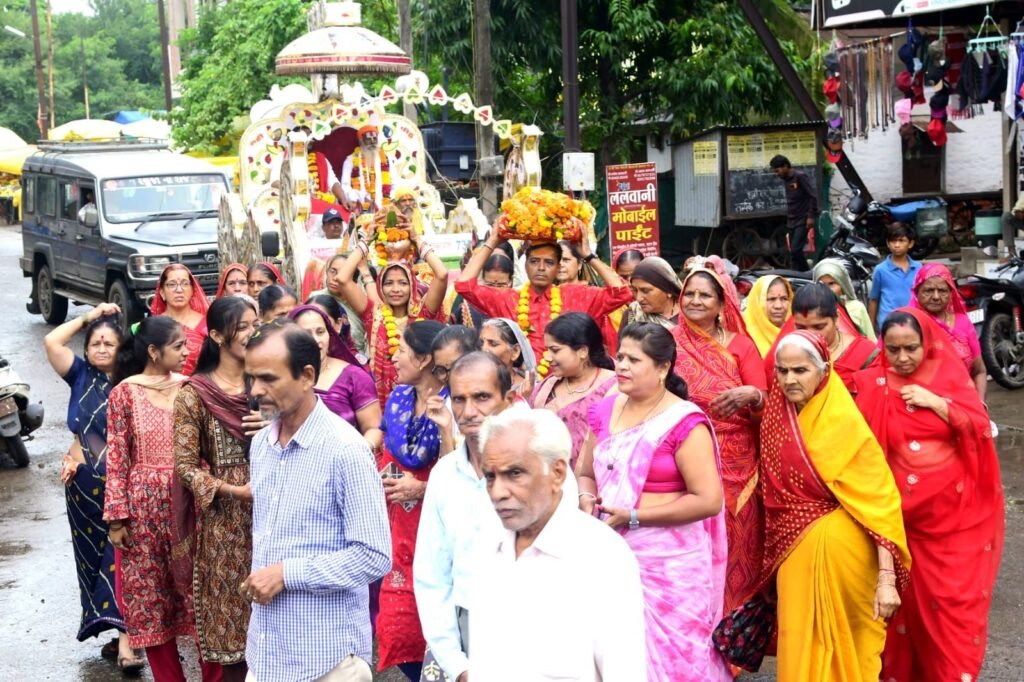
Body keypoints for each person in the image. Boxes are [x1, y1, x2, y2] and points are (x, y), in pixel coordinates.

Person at [747, 330, 910, 681]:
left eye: (800, 371)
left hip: (845, 561)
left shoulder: (844, 423)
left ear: (824, 370)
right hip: (793, 558)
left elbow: (879, 502)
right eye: (782, 370)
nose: (790, 379)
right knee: (799, 649)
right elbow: (773, 499)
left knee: (848, 652)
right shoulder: (776, 420)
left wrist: (886, 579)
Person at [854, 309, 1004, 681]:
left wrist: (937, 403)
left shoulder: (948, 375)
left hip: (955, 524)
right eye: (894, 349)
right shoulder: (873, 385)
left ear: (927, 344)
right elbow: (863, 455)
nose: (903, 358)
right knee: (903, 621)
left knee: (954, 614)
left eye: (911, 348)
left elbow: (981, 429)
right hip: (901, 525)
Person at [577, 324, 731, 681]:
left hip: (669, 568)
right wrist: (586, 499)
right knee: (614, 656)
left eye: (634, 359)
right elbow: (584, 472)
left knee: (673, 661)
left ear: (663, 368)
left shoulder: (684, 422)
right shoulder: (605, 410)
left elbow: (708, 500)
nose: (622, 366)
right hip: (609, 553)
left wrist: (634, 516)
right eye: (620, 357)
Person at [242, 320, 391, 682]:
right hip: (267, 653)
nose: (255, 390)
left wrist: (286, 574)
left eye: (268, 379)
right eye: (251, 378)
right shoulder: (262, 444)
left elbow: (375, 556)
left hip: (327, 662)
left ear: (307, 376)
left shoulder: (346, 450)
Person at [470, 408, 647, 681]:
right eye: (490, 477)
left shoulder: (601, 556)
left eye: (514, 473)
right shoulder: (487, 545)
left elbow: (624, 671)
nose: (497, 492)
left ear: (557, 473)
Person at [104, 316, 213, 681]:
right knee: (151, 599)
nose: (186, 351)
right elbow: (117, 457)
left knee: (200, 594)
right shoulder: (124, 393)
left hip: (190, 506)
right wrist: (117, 518)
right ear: (153, 351)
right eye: (179, 346)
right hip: (142, 510)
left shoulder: (192, 388)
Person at [413, 353, 531, 682]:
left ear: (507, 401)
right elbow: (431, 576)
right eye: (459, 399)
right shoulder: (445, 475)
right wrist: (458, 665)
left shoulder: (543, 471)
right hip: (464, 636)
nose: (467, 411)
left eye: (481, 397)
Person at [44, 303, 142, 673]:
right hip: (82, 488)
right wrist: (88, 317)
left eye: (109, 343)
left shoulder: (131, 381)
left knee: (120, 559)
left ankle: (129, 644)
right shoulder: (79, 375)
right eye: (95, 343)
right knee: (91, 563)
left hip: (122, 487)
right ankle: (118, 631)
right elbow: (53, 339)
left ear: (122, 350)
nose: (101, 348)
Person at [173, 297, 259, 682]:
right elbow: (185, 468)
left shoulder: (268, 383)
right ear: (217, 335)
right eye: (242, 326)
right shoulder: (195, 393)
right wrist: (231, 490)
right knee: (233, 632)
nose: (252, 333)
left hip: (276, 513)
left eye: (255, 324)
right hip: (225, 528)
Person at [671, 266, 766, 613]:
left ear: (721, 303)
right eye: (690, 293)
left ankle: (732, 629)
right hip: (682, 455)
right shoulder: (667, 342)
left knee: (737, 542)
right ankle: (694, 620)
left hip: (737, 460)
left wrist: (750, 395)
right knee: (691, 539)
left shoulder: (741, 346)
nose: (695, 301)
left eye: (704, 295)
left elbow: (765, 401)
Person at [376, 320, 453, 680]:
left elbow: (465, 470)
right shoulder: (398, 398)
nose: (394, 357)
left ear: (423, 360)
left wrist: (422, 489)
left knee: (441, 624)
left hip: (438, 523)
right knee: (396, 625)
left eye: (403, 351)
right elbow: (389, 454)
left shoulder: (455, 403)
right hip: (398, 528)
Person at [455, 231, 633, 363]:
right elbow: (464, 286)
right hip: (522, 389)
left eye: (549, 263)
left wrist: (588, 255)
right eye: (534, 262)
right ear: (525, 266)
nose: (541, 268)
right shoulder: (507, 299)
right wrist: (492, 241)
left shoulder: (576, 295)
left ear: (558, 268)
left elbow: (623, 292)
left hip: (570, 388)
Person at [334, 232, 448, 409]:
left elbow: (442, 274)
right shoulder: (374, 315)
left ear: (412, 286)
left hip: (424, 401)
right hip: (383, 403)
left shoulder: (423, 314)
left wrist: (417, 239)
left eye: (403, 283)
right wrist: (366, 242)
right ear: (380, 287)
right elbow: (342, 278)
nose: (396, 289)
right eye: (389, 283)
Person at [530, 313, 617, 469]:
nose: (548, 358)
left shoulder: (613, 386)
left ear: (583, 351)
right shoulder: (546, 387)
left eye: (555, 350)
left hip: (593, 485)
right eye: (547, 350)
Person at [288, 304, 380, 446]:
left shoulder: (354, 377)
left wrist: (360, 451)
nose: (315, 340)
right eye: (306, 334)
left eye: (320, 332)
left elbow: (374, 428)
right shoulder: (281, 377)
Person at [770, 283, 879, 393]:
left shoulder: (865, 354)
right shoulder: (787, 353)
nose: (810, 335)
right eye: (801, 327)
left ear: (836, 319)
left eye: (819, 327)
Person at [908, 263, 987, 400]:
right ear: (917, 291)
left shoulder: (963, 322)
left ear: (951, 293)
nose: (936, 296)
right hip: (920, 407)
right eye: (929, 290)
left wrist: (980, 405)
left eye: (943, 291)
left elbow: (979, 371)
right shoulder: (905, 323)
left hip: (964, 405)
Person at [150, 263, 209, 376]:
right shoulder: (154, 325)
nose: (179, 290)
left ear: (192, 290)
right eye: (172, 285)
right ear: (162, 292)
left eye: (184, 284)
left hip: (199, 387)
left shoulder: (206, 324)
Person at [309, 254, 369, 358]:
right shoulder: (315, 298)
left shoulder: (361, 302)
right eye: (332, 271)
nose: (335, 278)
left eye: (343, 274)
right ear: (326, 272)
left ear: (353, 279)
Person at [868, 222, 920, 331]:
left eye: (901, 241)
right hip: (888, 325)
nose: (896, 245)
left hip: (913, 323)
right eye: (893, 241)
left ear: (910, 243)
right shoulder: (880, 270)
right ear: (887, 243)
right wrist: (870, 330)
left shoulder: (918, 268)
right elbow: (874, 300)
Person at [770, 154, 818, 272]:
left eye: (778, 170)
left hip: (803, 219)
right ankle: (796, 275)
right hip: (791, 220)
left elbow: (812, 196)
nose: (777, 174)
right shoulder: (786, 179)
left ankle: (807, 274)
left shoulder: (799, 176)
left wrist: (811, 216)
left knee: (796, 250)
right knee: (792, 252)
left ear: (785, 166)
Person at [813, 258, 875, 340]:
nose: (826, 289)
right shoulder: (813, 310)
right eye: (821, 284)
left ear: (842, 285)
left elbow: (871, 341)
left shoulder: (857, 308)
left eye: (831, 283)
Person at [448, 252, 514, 329]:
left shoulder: (519, 303)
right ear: (482, 281)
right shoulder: (466, 308)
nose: (495, 291)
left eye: (501, 285)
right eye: (490, 285)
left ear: (511, 282)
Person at [479, 318, 537, 400]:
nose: (484, 349)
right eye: (481, 343)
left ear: (515, 352)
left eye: (493, 344)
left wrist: (522, 399)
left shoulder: (530, 390)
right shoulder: (470, 382)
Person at [620, 256, 682, 329]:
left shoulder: (690, 315)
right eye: (635, 290)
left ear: (668, 290)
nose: (638, 298)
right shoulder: (633, 313)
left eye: (645, 291)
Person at [341, 125, 392, 213]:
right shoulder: (350, 160)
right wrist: (359, 198)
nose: (372, 142)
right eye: (368, 139)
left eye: (374, 139)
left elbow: (395, 183)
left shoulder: (386, 159)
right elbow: (345, 186)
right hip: (360, 208)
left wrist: (391, 200)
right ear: (361, 141)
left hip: (384, 207)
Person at [306, 292, 365, 365]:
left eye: (320, 331)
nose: (315, 338)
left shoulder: (356, 366)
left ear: (338, 324)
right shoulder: (294, 363)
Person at [743, 275, 792, 357]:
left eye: (784, 299)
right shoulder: (744, 335)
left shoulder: (796, 333)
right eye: (771, 299)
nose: (778, 306)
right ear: (757, 301)